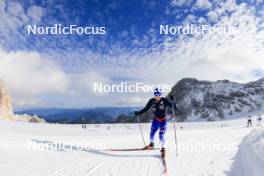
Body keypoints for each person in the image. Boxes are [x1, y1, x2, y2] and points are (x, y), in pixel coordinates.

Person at [134, 88, 177, 157]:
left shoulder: (164, 100)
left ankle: (163, 149)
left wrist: (173, 101)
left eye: (158, 94)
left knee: (161, 135)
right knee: (151, 134)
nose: (156, 96)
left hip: (163, 121)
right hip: (156, 120)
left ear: (160, 94)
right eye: (155, 94)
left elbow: (175, 108)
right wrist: (139, 113)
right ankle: (151, 144)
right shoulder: (152, 101)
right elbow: (146, 109)